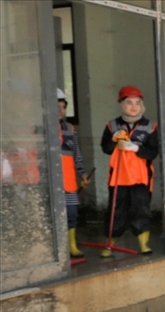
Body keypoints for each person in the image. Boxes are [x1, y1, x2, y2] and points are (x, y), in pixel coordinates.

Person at [99, 85, 159, 257]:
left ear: (142, 106)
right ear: (122, 104)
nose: (133, 107)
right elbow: (106, 148)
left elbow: (153, 151)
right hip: (118, 176)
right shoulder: (112, 125)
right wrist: (113, 140)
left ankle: (144, 244)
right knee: (115, 210)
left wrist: (135, 148)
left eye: (137, 103)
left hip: (141, 177)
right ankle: (110, 243)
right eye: (129, 103)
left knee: (141, 209)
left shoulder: (150, 126)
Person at [58, 89, 90, 259]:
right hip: (51, 183)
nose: (60, 110)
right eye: (56, 106)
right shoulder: (39, 129)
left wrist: (83, 174)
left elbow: (76, 155)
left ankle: (72, 245)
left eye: (63, 107)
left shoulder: (70, 128)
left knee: (71, 214)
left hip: (69, 181)